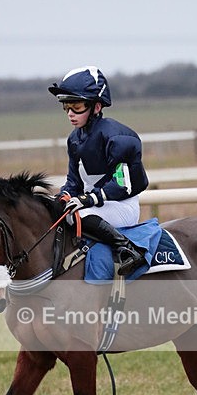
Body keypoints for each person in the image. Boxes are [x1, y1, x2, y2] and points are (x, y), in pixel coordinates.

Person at [48, 66, 148, 276]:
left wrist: (88, 199)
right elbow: (74, 181)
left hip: (121, 205)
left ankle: (129, 250)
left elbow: (122, 184)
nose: (70, 114)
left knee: (80, 216)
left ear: (96, 107)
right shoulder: (74, 139)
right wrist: (63, 197)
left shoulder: (117, 137)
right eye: (66, 107)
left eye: (76, 106)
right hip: (95, 205)